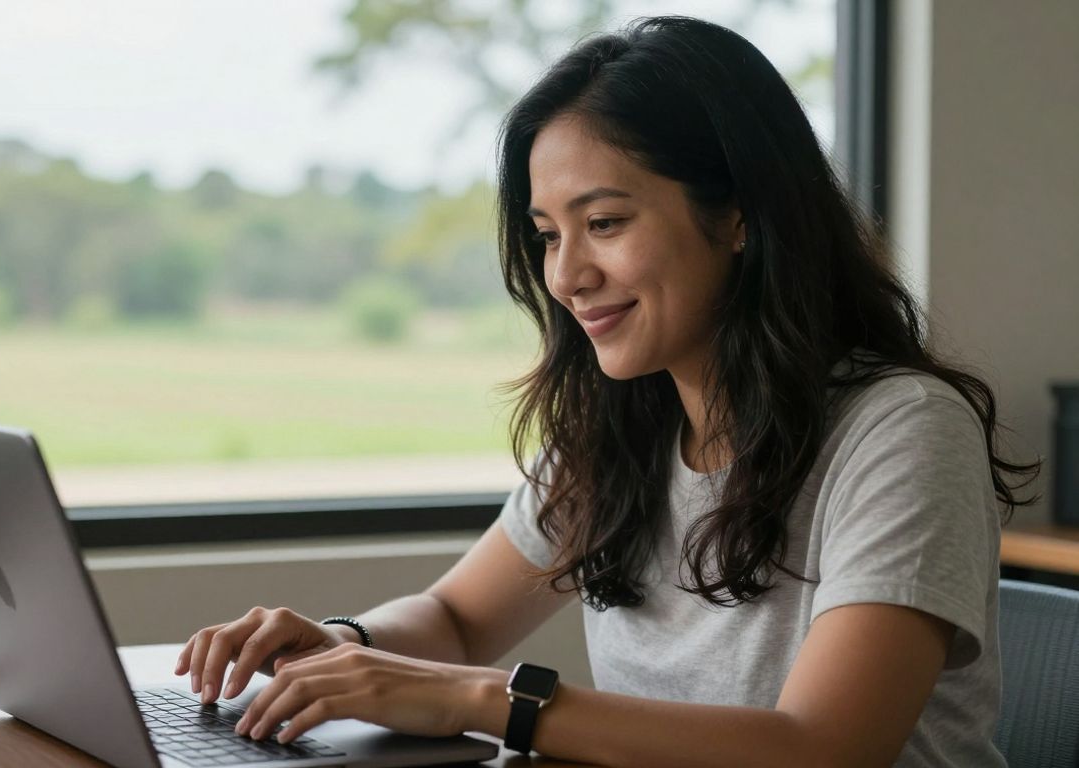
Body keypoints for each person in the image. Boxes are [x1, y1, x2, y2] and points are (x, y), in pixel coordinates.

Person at [175, 16, 1038, 768]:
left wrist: (483, 701)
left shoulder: (902, 430)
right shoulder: (620, 424)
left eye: (606, 223)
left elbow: (822, 749)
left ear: (739, 214)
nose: (567, 275)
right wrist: (346, 643)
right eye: (549, 235)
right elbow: (455, 617)